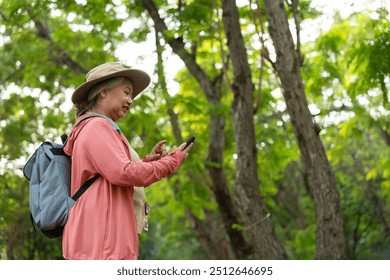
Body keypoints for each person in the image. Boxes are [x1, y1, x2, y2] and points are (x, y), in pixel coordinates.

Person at [62, 61, 193, 260]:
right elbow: (123, 173)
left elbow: (112, 174)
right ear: (104, 91)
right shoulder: (97, 126)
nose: (130, 100)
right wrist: (172, 161)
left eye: (131, 95)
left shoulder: (95, 126)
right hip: (102, 243)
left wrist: (148, 162)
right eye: (126, 92)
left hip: (101, 239)